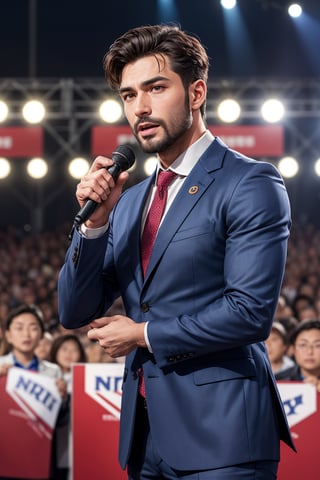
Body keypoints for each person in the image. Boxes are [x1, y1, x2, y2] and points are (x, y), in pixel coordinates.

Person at [58, 24, 295, 479]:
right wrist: (94, 223)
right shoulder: (128, 201)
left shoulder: (250, 182)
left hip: (224, 437)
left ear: (196, 92)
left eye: (156, 87)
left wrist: (142, 334)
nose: (140, 108)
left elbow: (249, 313)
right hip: (144, 438)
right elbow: (73, 310)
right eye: (128, 95)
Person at [0, 303, 68, 480]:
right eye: (19, 328)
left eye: (33, 328)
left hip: (38, 455)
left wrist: (63, 399)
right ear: (8, 335)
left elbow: (60, 420)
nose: (26, 334)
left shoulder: (53, 371)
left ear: (41, 335)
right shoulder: (0, 367)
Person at [49, 334, 87, 480]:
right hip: (52, 440)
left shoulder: (86, 378)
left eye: (74, 350)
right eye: (64, 349)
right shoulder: (47, 376)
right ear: (56, 350)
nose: (69, 354)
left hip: (78, 438)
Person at [276, 319, 320, 391]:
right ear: (293, 350)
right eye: (303, 345)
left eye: (317, 345)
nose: (310, 352)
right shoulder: (278, 381)